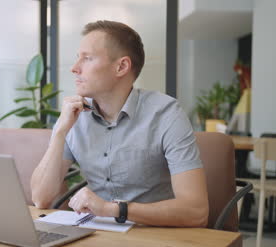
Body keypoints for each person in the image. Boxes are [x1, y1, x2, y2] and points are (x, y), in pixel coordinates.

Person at [30, 20, 209, 227]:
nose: (74, 68)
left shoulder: (166, 114)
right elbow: (40, 198)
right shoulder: (74, 116)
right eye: (77, 58)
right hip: (97, 235)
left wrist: (112, 209)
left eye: (87, 58)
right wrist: (60, 131)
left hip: (156, 235)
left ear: (121, 66)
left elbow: (196, 212)